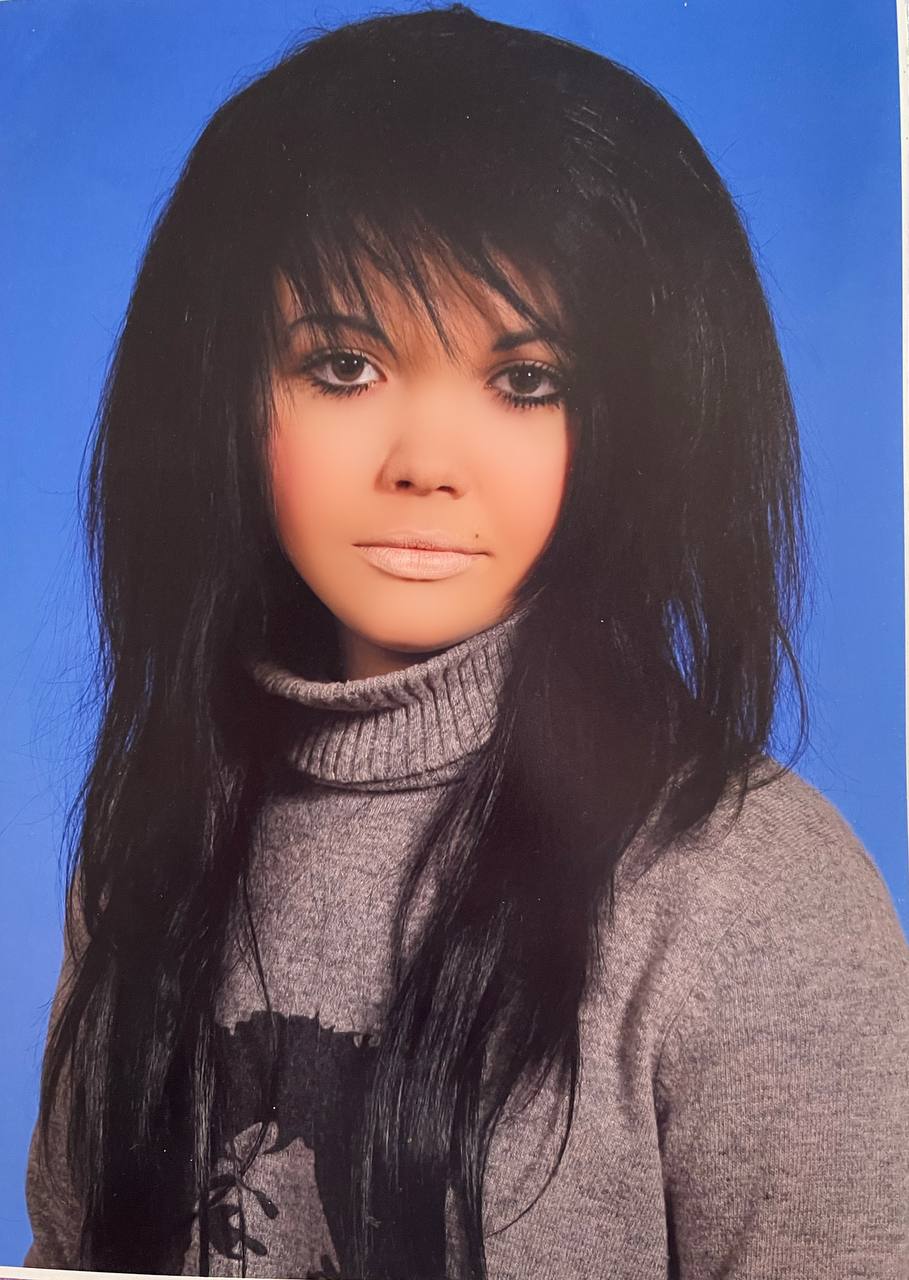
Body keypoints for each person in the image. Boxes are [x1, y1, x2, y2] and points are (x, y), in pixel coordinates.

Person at [24, 5, 909, 1278]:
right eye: (343, 365)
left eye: (525, 380)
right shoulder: (153, 836)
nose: (426, 464)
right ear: (225, 388)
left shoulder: (750, 892)